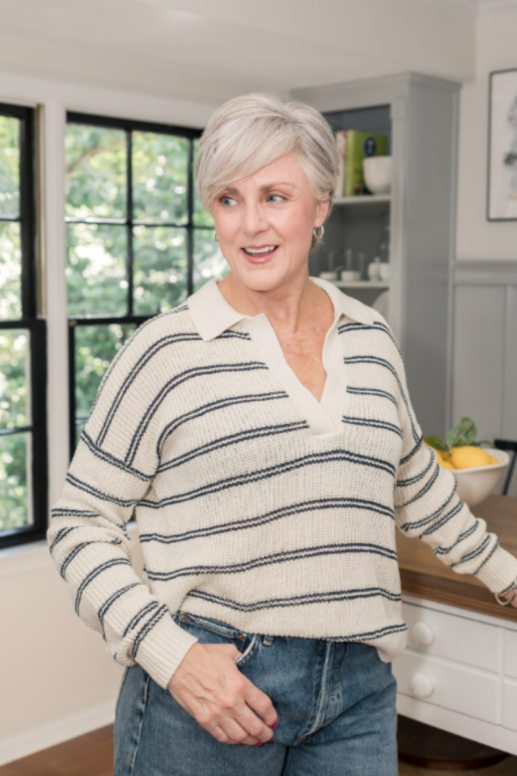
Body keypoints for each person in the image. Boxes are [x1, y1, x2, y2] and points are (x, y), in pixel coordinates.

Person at [48, 92, 517, 776]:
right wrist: (172, 656)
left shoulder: (371, 336)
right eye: (228, 199)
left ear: (320, 206)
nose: (250, 224)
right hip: (212, 685)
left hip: (357, 687)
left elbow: (416, 487)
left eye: (274, 196)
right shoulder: (165, 351)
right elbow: (77, 523)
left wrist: (508, 578)